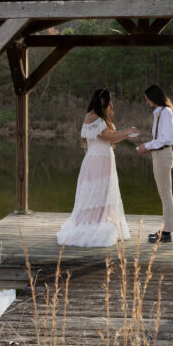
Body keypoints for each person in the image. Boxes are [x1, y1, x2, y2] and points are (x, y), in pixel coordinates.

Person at [57, 88, 139, 247]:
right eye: (110, 102)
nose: (111, 105)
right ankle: (93, 223)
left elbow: (110, 139)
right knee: (96, 191)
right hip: (98, 161)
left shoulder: (95, 118)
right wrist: (127, 131)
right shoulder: (94, 119)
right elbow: (108, 136)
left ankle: (101, 220)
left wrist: (125, 134)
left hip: (101, 160)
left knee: (102, 192)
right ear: (104, 101)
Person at [136, 85, 173, 243]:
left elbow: (165, 139)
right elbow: (159, 139)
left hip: (163, 155)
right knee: (164, 194)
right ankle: (165, 230)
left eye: (147, 98)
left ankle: (166, 233)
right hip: (159, 154)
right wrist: (148, 146)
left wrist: (146, 145)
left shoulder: (165, 113)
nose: (146, 101)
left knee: (165, 194)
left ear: (153, 97)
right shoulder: (160, 113)